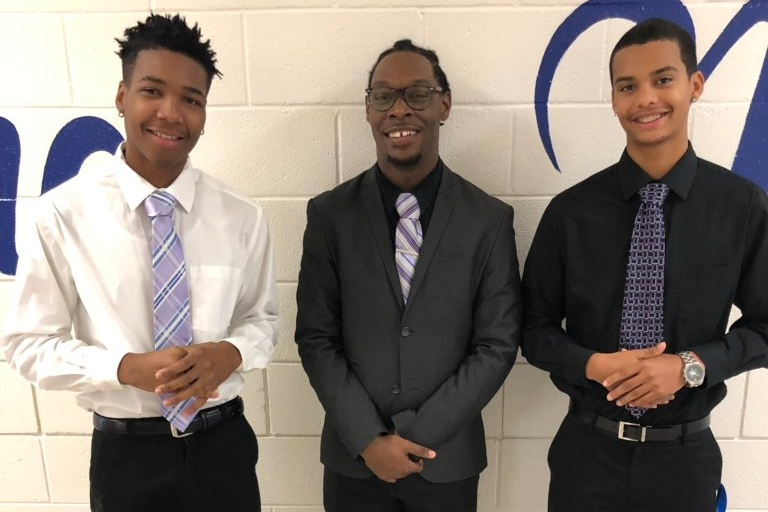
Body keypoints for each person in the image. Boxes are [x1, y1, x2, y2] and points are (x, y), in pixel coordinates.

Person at [0, 13, 278, 512]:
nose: (171, 113)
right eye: (153, 91)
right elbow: (27, 345)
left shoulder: (242, 216)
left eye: (191, 99)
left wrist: (229, 353)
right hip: (126, 457)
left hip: (224, 446)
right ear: (122, 96)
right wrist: (123, 368)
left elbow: (262, 321)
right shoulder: (62, 215)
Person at [521, 18, 768, 512]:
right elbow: (532, 329)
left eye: (663, 79)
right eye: (627, 86)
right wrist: (591, 363)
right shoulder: (571, 212)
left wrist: (689, 367)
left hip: (685, 459)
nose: (646, 99)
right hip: (585, 455)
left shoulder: (741, 206)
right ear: (614, 100)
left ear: (694, 85)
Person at [295, 39, 521, 512]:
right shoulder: (329, 216)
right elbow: (317, 338)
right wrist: (369, 438)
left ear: (444, 104)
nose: (400, 110)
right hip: (354, 462)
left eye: (417, 94)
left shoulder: (489, 219)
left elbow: (497, 345)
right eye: (384, 96)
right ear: (368, 109)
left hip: (446, 463)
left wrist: (411, 436)